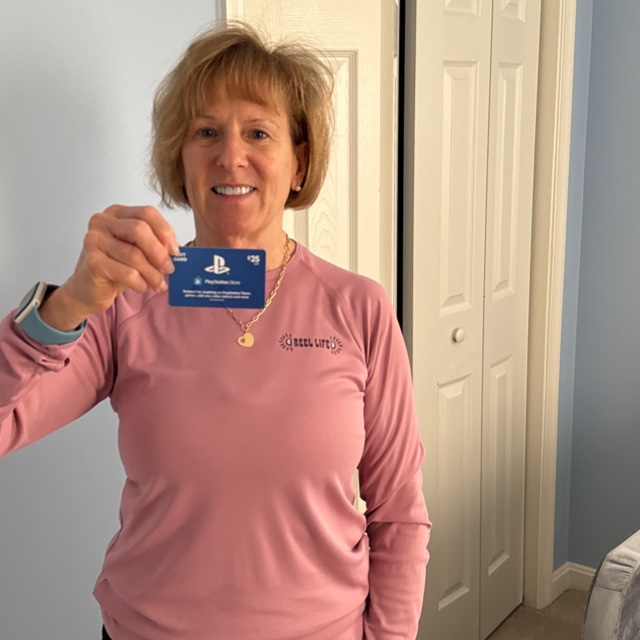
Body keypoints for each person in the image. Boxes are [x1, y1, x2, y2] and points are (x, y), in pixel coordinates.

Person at [0, 21, 430, 640]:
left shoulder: (359, 308)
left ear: (299, 163)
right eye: (206, 132)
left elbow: (400, 514)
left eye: (258, 132)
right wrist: (68, 303)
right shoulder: (124, 305)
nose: (231, 156)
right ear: (180, 159)